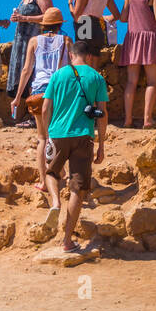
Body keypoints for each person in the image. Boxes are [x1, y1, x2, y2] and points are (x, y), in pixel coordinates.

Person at [39, 42, 107, 252]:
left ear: (70, 55)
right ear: (87, 56)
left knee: (51, 172)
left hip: (58, 133)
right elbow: (102, 114)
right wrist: (101, 144)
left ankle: (56, 203)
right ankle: (67, 241)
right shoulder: (97, 77)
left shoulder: (58, 75)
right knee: (78, 187)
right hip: (84, 136)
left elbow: (44, 108)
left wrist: (47, 132)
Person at [11, 7, 71, 190]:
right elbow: (72, 67)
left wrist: (18, 97)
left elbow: (26, 70)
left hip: (39, 91)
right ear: (60, 24)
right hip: (60, 90)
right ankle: (61, 173)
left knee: (42, 138)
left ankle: (44, 181)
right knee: (60, 135)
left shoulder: (34, 41)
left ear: (43, 25)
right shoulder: (67, 40)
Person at [118, 0, 156, 129]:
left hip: (132, 39)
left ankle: (128, 120)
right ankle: (147, 119)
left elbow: (123, 18)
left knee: (131, 81)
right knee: (152, 81)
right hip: (150, 39)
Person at [6, 0, 53, 127]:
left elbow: (49, 15)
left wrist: (25, 18)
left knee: (33, 75)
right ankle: (31, 115)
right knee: (24, 75)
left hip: (34, 40)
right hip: (22, 40)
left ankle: (35, 118)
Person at [68, 0, 121, 68]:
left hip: (85, 25)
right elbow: (117, 15)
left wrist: (70, 4)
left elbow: (77, 17)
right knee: (94, 70)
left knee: (82, 66)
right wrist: (103, 18)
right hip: (97, 28)